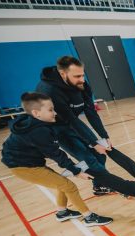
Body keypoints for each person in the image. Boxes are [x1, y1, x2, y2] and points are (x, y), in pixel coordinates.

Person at [1, 92, 112, 226]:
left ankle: (62, 212)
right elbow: (56, 154)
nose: (54, 113)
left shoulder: (33, 123)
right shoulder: (38, 131)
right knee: (69, 186)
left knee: (61, 183)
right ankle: (89, 217)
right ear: (36, 113)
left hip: (29, 163)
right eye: (50, 110)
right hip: (23, 167)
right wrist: (76, 171)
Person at [36, 55, 114, 195]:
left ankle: (99, 185)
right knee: (89, 159)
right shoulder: (49, 91)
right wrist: (93, 143)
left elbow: (90, 111)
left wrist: (104, 135)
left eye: (82, 75)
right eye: (77, 76)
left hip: (73, 121)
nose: (82, 79)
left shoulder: (81, 84)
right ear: (63, 74)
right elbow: (70, 119)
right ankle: (113, 184)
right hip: (56, 128)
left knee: (100, 155)